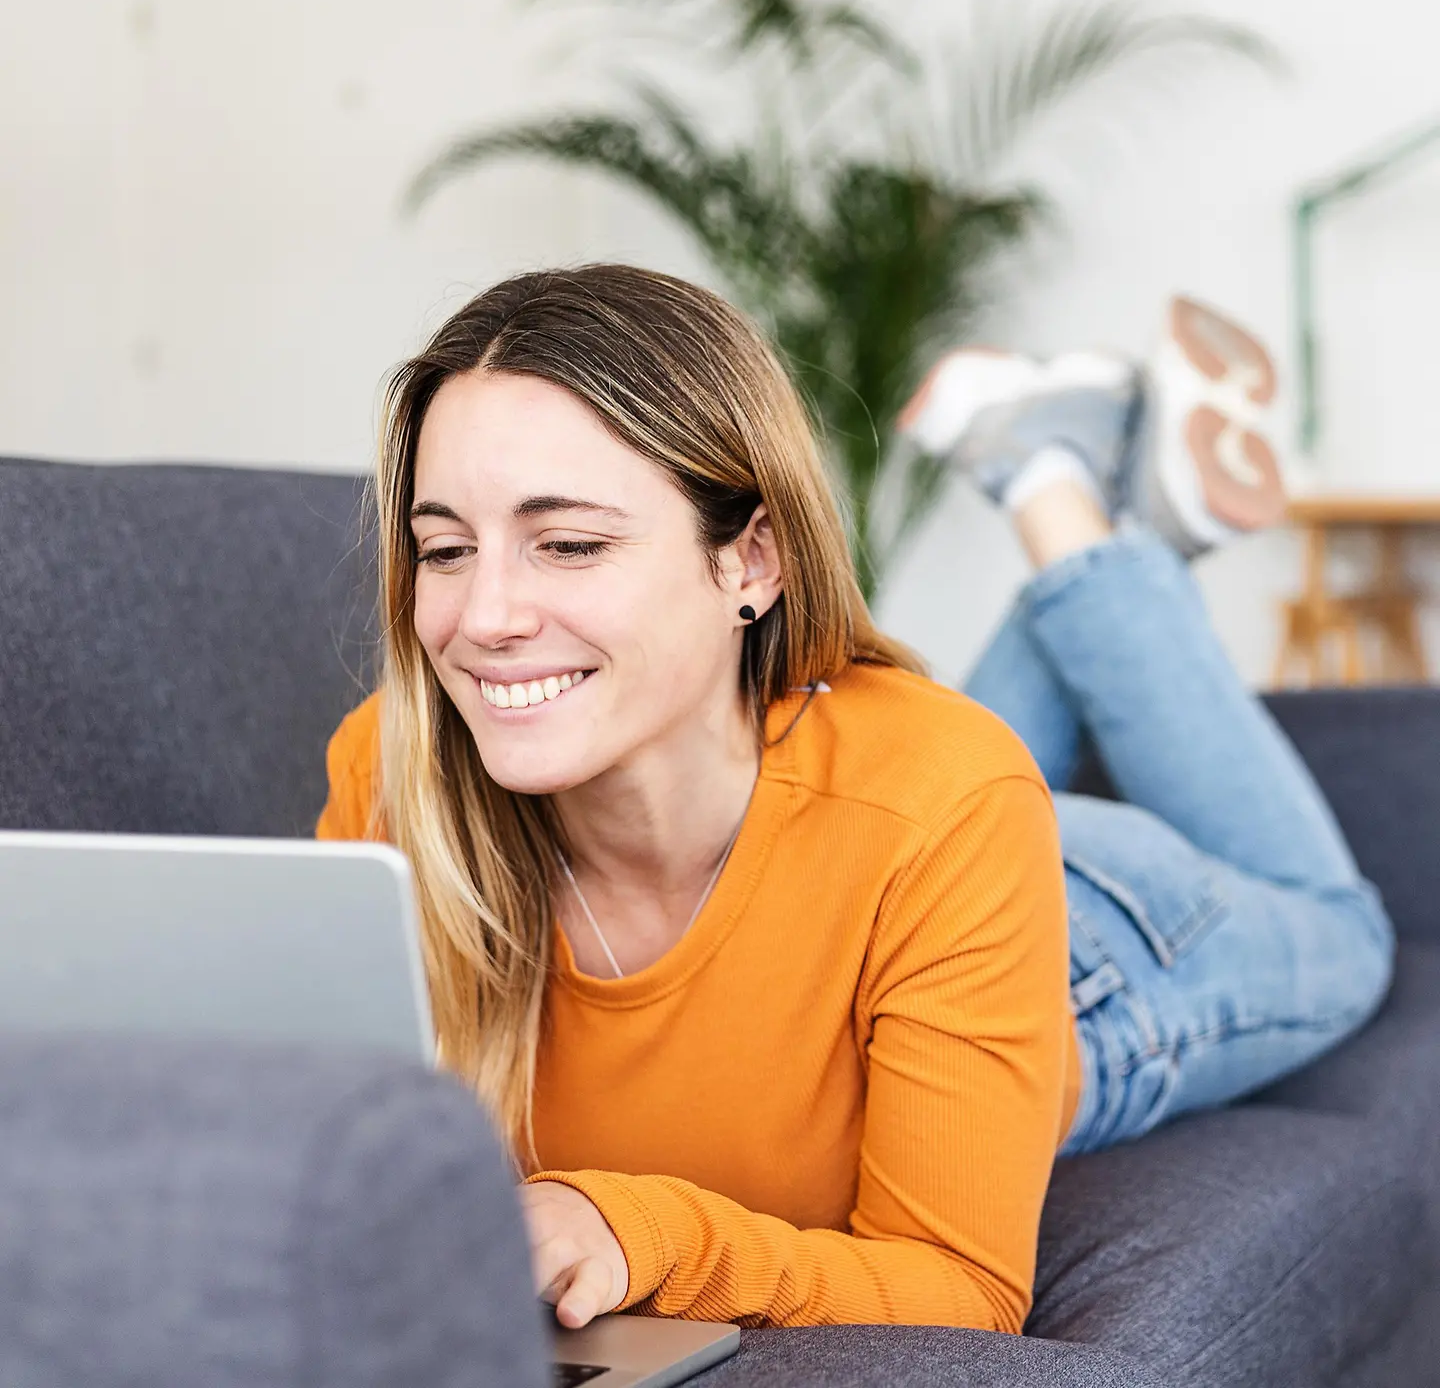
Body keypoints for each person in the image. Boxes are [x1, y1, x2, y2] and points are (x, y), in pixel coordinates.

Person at [316, 268, 1392, 1337]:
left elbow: (959, 1296)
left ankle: (1060, 500)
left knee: (1346, 933)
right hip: (879, 827)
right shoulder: (389, 784)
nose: (484, 616)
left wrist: (637, 1229)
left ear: (752, 561)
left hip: (1089, 951)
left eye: (571, 543)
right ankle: (1063, 469)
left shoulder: (945, 802)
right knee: (917, 769)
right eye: (445, 549)